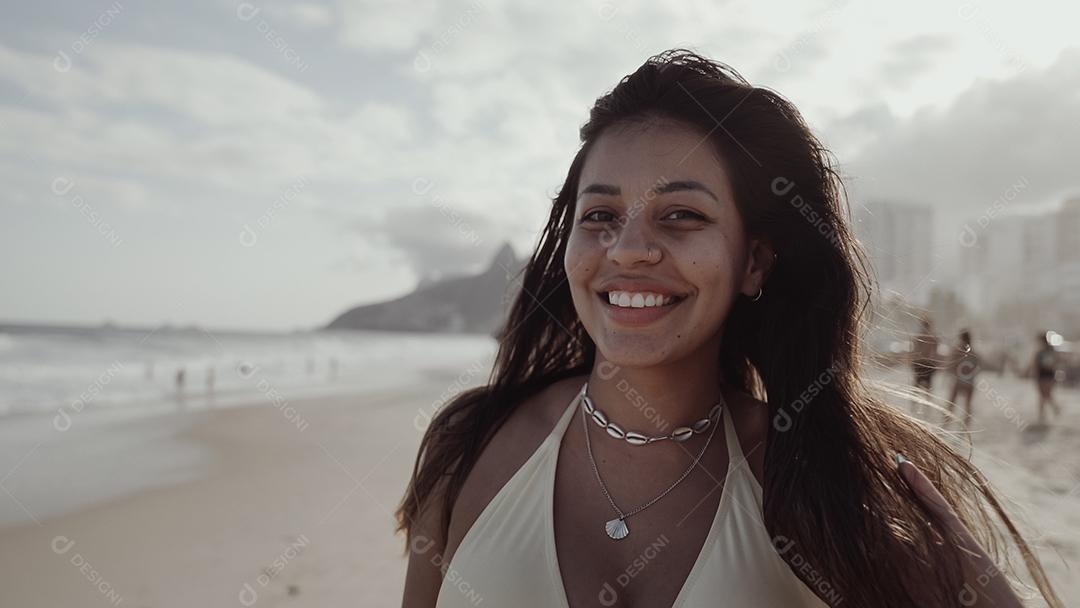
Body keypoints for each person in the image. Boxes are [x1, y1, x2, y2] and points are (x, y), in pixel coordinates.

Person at [396, 50, 1062, 607]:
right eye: (600, 215)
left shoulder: (824, 486)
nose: (628, 248)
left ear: (753, 261)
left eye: (681, 215)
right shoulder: (469, 446)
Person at [946, 329, 979, 429]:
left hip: (959, 381)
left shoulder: (957, 351)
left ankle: (946, 424)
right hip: (970, 382)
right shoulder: (974, 353)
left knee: (951, 403)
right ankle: (966, 426)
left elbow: (951, 366)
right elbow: (977, 368)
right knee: (967, 405)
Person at [1032, 331, 1062, 425]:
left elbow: (1036, 364)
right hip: (1050, 375)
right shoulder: (1051, 350)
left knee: (1044, 395)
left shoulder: (1041, 352)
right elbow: (1056, 362)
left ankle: (1045, 413)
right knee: (1045, 395)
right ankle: (1050, 411)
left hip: (1044, 376)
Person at [911, 317, 939, 393]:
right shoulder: (933, 338)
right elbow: (935, 353)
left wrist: (912, 363)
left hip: (919, 362)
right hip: (928, 363)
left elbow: (914, 351)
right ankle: (927, 403)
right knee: (928, 386)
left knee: (916, 384)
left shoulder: (918, 337)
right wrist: (936, 364)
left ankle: (915, 403)